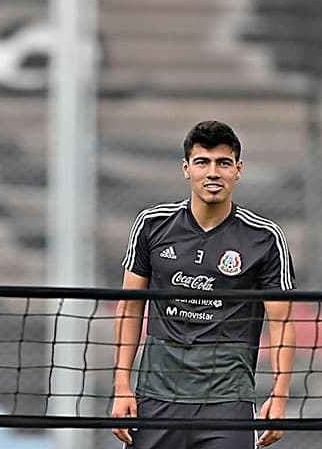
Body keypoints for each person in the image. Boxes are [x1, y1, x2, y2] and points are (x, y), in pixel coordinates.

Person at [111, 120, 296, 449]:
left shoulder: (265, 238)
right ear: (186, 169)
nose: (213, 172)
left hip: (228, 405)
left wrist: (279, 397)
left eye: (223, 163)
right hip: (155, 401)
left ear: (238, 170)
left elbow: (281, 322)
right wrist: (122, 385)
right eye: (202, 162)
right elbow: (129, 307)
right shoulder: (152, 225)